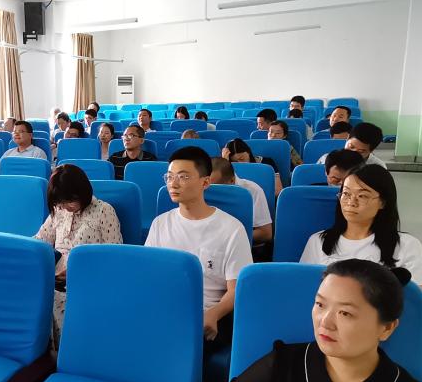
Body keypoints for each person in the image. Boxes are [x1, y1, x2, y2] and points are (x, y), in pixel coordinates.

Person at [198, 259, 422, 382]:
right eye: (320, 304)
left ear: (387, 328)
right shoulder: (287, 363)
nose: (324, 322)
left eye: (345, 313)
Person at [146, 147, 252, 359]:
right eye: (170, 177)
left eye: (183, 177)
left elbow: (236, 289)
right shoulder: (160, 223)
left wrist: (214, 313)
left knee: (169, 349)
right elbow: (149, 276)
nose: (173, 184)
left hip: (208, 313)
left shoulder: (231, 229)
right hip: (165, 309)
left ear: (205, 182)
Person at [300, 165, 422, 315]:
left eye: (362, 196)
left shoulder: (406, 245)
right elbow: (302, 292)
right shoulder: (318, 241)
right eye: (346, 194)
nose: (351, 202)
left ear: (383, 202)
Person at [34, 165, 122, 346]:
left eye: (70, 202)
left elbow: (116, 257)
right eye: (61, 203)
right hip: (54, 277)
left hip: (88, 279)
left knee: (53, 302)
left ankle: (64, 352)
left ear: (82, 192)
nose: (66, 208)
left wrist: (78, 272)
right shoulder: (59, 210)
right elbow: (40, 240)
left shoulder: (104, 211)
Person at [210, 158, 272, 244]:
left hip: (242, 244)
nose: (208, 190)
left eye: (215, 187)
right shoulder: (200, 188)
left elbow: (265, 233)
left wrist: (227, 238)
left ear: (232, 181)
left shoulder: (253, 191)